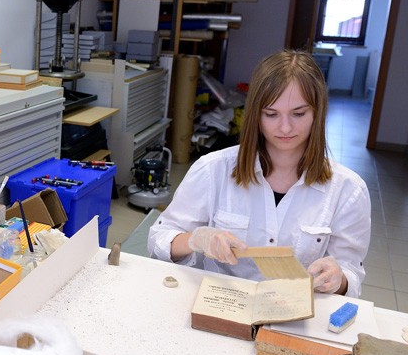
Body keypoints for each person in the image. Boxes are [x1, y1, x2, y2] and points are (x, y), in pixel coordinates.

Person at [147, 50, 371, 297]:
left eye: (298, 113)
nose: (285, 127)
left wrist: (338, 278)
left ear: (318, 113)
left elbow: (352, 273)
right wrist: (196, 239)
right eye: (271, 114)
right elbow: (158, 239)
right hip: (223, 304)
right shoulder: (213, 169)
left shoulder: (348, 190)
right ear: (256, 114)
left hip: (297, 315)